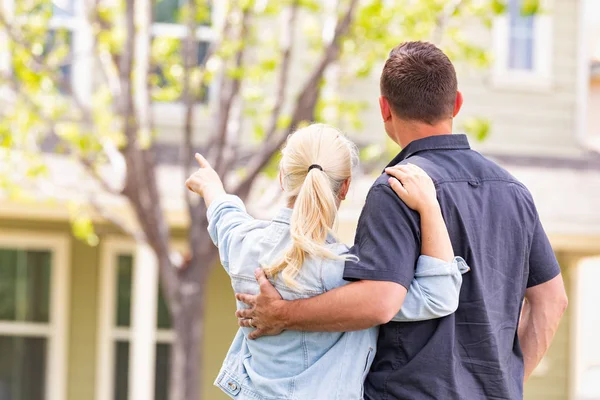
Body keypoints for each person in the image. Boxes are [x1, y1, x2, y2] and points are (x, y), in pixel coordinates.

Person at [235, 42, 569, 399]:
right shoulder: (513, 191)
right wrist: (505, 385)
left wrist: (284, 314)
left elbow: (379, 301)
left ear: (384, 109)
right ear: (456, 103)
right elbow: (552, 300)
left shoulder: (396, 187)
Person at [185, 123, 469, 399]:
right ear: (345, 187)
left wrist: (212, 188)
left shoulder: (245, 245)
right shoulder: (350, 274)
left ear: (282, 178)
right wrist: (430, 207)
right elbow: (437, 295)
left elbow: (226, 219)